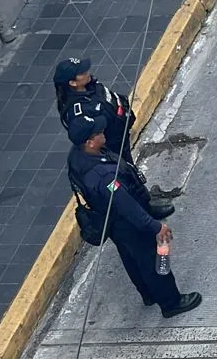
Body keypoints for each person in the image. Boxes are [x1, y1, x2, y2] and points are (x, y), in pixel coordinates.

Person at [67, 115, 202, 317]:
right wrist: (156, 227)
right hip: (128, 223)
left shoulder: (77, 157)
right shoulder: (104, 177)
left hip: (113, 222)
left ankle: (148, 294)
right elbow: (128, 207)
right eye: (98, 132)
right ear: (90, 142)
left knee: (131, 258)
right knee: (154, 260)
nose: (103, 132)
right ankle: (171, 302)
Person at [54, 56, 174, 219]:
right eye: (81, 72)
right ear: (73, 83)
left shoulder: (92, 87)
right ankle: (144, 210)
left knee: (130, 170)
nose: (86, 72)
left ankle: (144, 203)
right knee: (125, 180)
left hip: (120, 138)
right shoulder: (77, 111)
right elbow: (84, 132)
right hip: (109, 148)